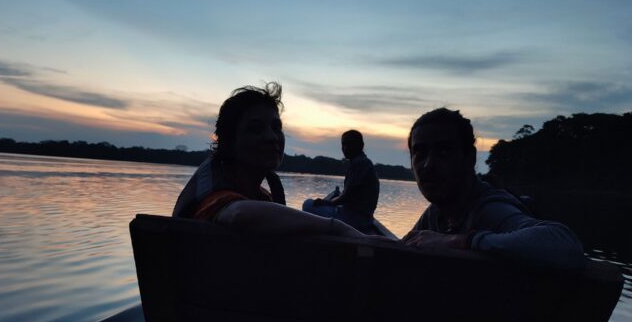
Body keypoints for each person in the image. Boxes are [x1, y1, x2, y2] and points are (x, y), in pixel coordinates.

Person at [401, 107, 584, 269]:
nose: (428, 165)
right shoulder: (436, 213)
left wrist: (461, 241)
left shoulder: (491, 210)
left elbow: (566, 244)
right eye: (420, 153)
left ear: (470, 158)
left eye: (444, 151)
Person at [173, 83, 364, 238]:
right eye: (255, 129)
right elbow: (238, 214)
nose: (272, 137)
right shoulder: (214, 197)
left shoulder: (260, 196)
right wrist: (337, 227)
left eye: (276, 127)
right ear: (230, 142)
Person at [302, 130, 380, 232]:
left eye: (349, 144)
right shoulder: (363, 162)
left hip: (355, 220)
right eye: (343, 144)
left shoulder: (359, 163)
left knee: (307, 204)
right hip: (362, 218)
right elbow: (349, 196)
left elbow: (346, 197)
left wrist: (326, 202)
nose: (345, 148)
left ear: (360, 145)